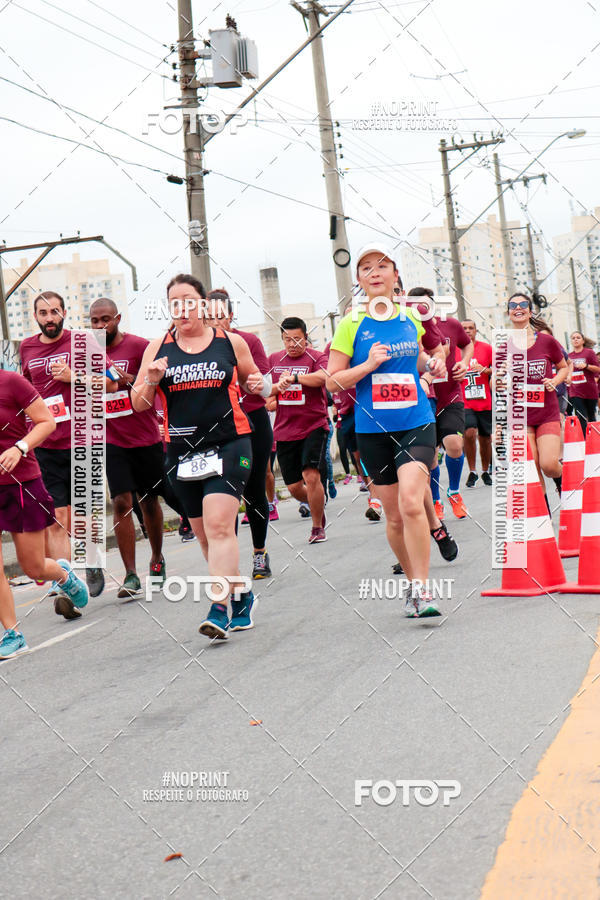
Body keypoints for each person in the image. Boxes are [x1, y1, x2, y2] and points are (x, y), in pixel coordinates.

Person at [132, 274, 264, 640]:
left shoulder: (230, 343)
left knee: (221, 526)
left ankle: (218, 608)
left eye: (189, 300)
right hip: (181, 452)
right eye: (175, 302)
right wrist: (151, 380)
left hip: (231, 443)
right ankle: (241, 595)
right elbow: (138, 404)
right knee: (206, 537)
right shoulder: (157, 347)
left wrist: (260, 385)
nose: (183, 308)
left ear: (204, 304)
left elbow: (259, 384)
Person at [327, 244, 447, 617]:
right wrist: (367, 365)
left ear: (396, 275)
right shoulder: (351, 324)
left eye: (382, 266)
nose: (374, 272)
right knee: (394, 516)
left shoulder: (411, 317)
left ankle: (425, 590)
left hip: (416, 420)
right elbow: (332, 381)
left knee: (413, 500)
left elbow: (422, 357)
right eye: (366, 268)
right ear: (359, 281)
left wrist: (435, 364)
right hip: (372, 429)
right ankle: (413, 584)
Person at [20, 291, 105, 614]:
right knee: (58, 520)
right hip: (47, 445)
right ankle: (67, 586)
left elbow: (108, 383)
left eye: (55, 311)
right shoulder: (27, 348)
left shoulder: (84, 342)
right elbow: (25, 394)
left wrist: (74, 377)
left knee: (83, 517)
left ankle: (92, 558)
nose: (50, 317)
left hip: (83, 438)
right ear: (36, 317)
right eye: (43, 313)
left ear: (65, 312)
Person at [0, 369, 89, 656]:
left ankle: (63, 575)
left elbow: (46, 421)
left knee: (33, 567)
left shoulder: (11, 382)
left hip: (21, 483)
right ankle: (13, 634)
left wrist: (19, 447)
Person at [89, 298, 167, 597]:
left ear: (118, 318)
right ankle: (131, 575)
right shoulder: (87, 353)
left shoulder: (138, 346)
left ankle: (157, 558)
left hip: (144, 436)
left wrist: (130, 379)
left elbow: (156, 381)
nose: (100, 326)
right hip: (110, 439)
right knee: (121, 502)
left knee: (148, 500)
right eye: (95, 321)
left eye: (105, 319)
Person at [205, 288, 274, 578]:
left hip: (253, 421)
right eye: (209, 317)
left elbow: (266, 385)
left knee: (254, 489)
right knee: (223, 495)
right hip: (217, 428)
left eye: (220, 316)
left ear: (231, 316)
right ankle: (227, 559)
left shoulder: (248, 342)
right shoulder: (197, 348)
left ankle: (260, 553)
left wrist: (255, 382)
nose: (215, 322)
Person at [407, 289, 472, 519]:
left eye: (425, 306)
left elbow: (467, 344)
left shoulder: (451, 324)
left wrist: (465, 362)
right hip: (423, 399)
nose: (420, 310)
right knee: (431, 455)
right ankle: (435, 501)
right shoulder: (407, 328)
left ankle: (454, 492)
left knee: (454, 444)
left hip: (451, 395)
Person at [269, 317, 329, 543]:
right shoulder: (274, 360)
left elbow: (324, 377)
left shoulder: (316, 357)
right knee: (294, 487)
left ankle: (316, 527)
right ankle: (316, 505)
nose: (292, 344)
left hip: (314, 425)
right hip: (285, 430)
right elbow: (266, 394)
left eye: (297, 339)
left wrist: (295, 378)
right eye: (287, 340)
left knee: (311, 475)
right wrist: (279, 387)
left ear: (305, 338)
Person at [507, 293, 567, 506]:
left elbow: (563, 368)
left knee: (549, 464)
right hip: (520, 416)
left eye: (523, 304)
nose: (518, 308)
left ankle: (564, 484)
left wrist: (554, 380)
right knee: (531, 465)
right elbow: (496, 383)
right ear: (509, 313)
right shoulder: (504, 346)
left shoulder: (546, 341)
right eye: (513, 305)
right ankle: (544, 515)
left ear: (530, 311)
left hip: (546, 413)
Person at [459, 319, 493, 488]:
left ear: (476, 331)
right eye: (464, 328)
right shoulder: (456, 350)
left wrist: (486, 370)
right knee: (470, 432)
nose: (467, 331)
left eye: (471, 328)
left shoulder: (486, 348)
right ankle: (472, 471)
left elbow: (499, 369)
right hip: (464, 400)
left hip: (484, 400)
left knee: (485, 438)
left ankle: (485, 471)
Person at [566, 331, 600, 433]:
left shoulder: (589, 353)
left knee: (591, 416)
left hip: (589, 390)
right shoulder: (568, 356)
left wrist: (586, 366)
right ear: (571, 341)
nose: (575, 339)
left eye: (578, 337)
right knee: (581, 415)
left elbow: (598, 369)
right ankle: (585, 439)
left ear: (583, 340)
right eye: (573, 338)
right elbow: (566, 370)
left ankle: (594, 438)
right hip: (575, 391)